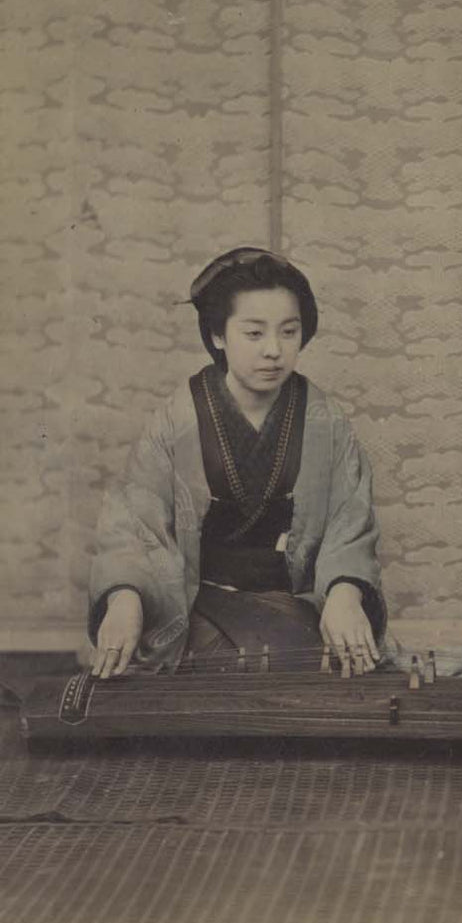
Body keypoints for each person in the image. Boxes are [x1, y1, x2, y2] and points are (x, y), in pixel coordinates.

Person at [88, 248, 386, 678]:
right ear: (218, 336)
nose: (274, 350)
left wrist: (344, 593)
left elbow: (349, 523)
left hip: (291, 607)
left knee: (314, 656)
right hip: (197, 608)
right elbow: (135, 523)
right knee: (194, 662)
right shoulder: (177, 420)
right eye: (254, 333)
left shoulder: (325, 422)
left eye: (289, 332)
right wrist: (125, 599)